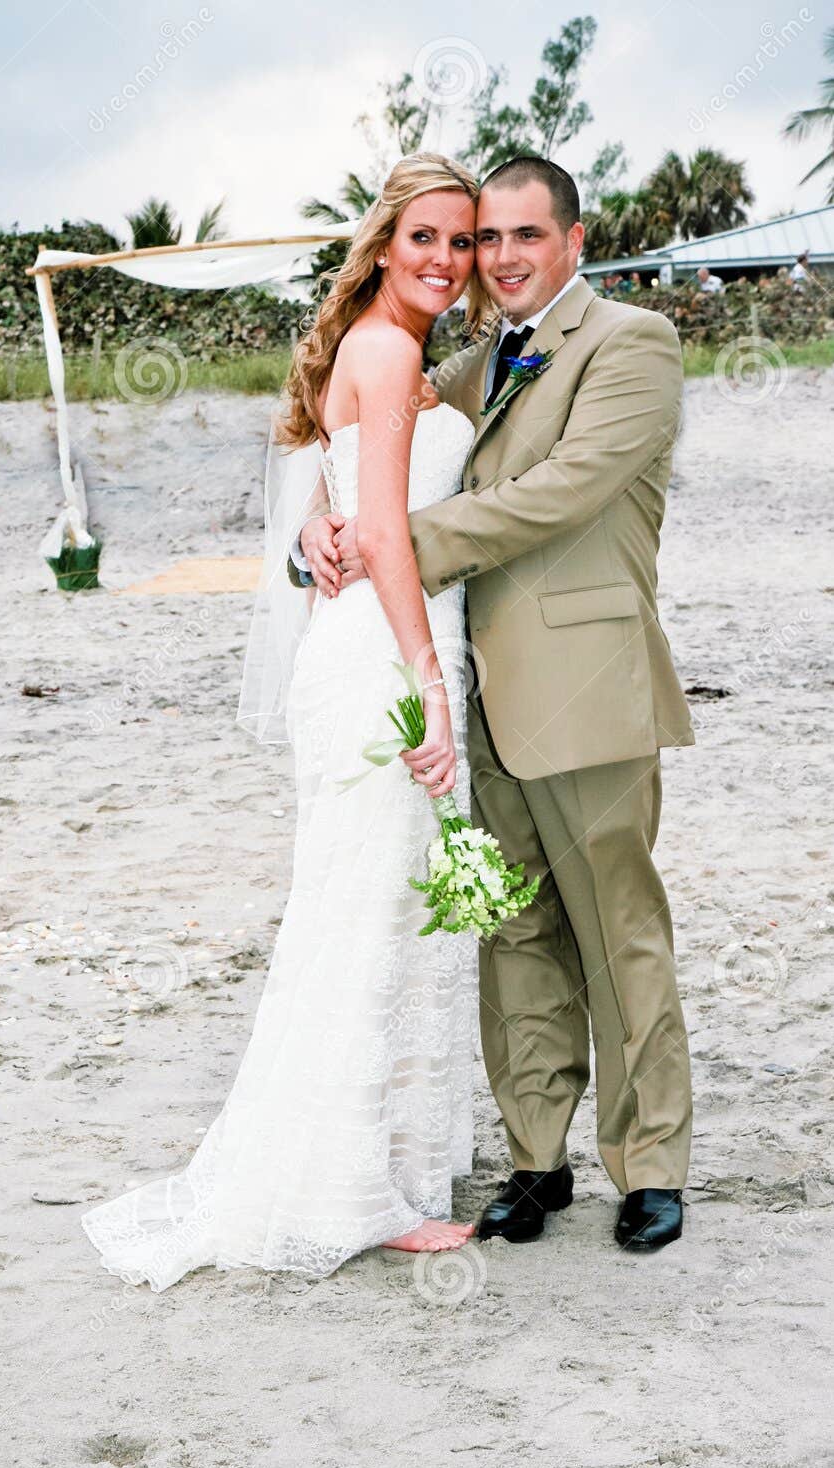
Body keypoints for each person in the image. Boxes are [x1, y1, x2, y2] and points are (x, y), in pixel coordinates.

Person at [82, 154, 486, 1292]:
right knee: (367, 912)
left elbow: (340, 497)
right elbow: (395, 538)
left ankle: (364, 1162)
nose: (446, 264)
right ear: (383, 241)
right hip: (382, 656)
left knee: (367, 905)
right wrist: (427, 676)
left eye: (461, 244)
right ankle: (351, 1186)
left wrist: (319, 526)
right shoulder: (389, 346)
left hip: (361, 642)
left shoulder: (370, 344)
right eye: (426, 240)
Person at [296, 155, 695, 1252]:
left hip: (584, 690)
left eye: (523, 235)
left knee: (616, 932)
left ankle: (648, 1164)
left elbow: (557, 493)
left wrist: (389, 546)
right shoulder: (480, 360)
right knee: (510, 931)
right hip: (471, 692)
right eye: (486, 238)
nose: (501, 257)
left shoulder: (630, 344)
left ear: (573, 239)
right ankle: (535, 1160)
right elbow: (362, 450)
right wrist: (314, 533)